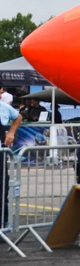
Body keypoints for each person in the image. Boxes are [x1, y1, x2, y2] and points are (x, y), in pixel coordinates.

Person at [0, 91, 20, 231]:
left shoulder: (3, 107)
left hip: (0, 155)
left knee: (2, 190)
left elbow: (18, 117)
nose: (1, 95)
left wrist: (11, 133)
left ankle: (2, 225)